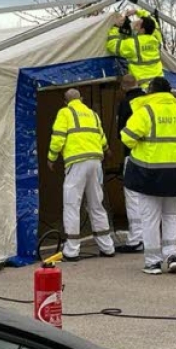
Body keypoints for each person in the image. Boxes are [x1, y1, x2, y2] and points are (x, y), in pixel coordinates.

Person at [121, 76, 176, 275]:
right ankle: (172, 255)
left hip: (149, 173)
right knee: (172, 216)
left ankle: (153, 262)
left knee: (150, 218)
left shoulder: (145, 111)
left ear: (151, 92)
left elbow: (127, 138)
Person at [48, 89, 115, 261]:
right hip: (95, 162)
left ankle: (71, 250)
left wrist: (51, 157)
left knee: (72, 204)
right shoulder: (92, 114)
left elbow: (58, 137)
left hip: (76, 163)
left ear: (65, 101)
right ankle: (107, 247)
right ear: (82, 99)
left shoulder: (65, 112)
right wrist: (107, 150)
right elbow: (101, 137)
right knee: (96, 204)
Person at [113, 73, 146, 253]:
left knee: (133, 198)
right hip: (153, 157)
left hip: (133, 156)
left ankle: (136, 239)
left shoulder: (126, 104)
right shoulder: (149, 102)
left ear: (123, 87)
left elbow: (122, 135)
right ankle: (151, 237)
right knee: (150, 199)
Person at [105, 7, 164, 89]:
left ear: (142, 30)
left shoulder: (133, 43)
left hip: (143, 87)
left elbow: (112, 45)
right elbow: (153, 22)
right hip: (160, 84)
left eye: (137, 25)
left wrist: (116, 27)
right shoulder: (156, 38)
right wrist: (137, 12)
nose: (134, 26)